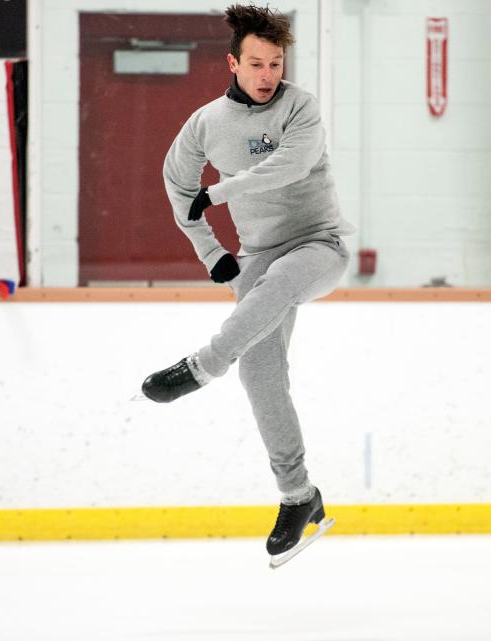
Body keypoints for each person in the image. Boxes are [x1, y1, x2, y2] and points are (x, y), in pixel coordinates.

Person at [141, 3, 355, 560]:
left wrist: (219, 193)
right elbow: (176, 184)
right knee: (261, 377)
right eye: (256, 64)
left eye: (276, 63)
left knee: (280, 282)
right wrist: (211, 251)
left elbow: (288, 166)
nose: (268, 76)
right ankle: (299, 495)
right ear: (232, 63)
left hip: (317, 245)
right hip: (256, 255)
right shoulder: (206, 124)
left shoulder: (300, 108)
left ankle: (202, 365)